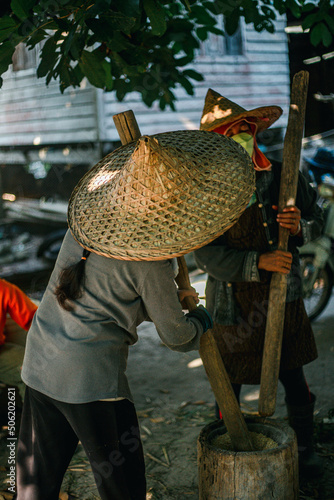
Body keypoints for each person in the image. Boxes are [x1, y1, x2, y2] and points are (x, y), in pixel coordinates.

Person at [15, 131, 253, 500]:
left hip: (40, 364)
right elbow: (177, 337)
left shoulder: (85, 228)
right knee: (122, 486)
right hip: (90, 380)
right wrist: (200, 319)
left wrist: (170, 297)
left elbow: (105, 294)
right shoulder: (151, 260)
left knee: (35, 484)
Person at [195, 89, 324, 477]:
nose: (239, 139)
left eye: (244, 130)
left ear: (254, 132)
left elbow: (319, 219)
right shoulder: (209, 191)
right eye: (229, 134)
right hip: (231, 305)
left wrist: (301, 226)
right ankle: (229, 454)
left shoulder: (286, 176)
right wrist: (258, 261)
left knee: (293, 377)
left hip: (283, 299)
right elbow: (206, 255)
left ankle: (306, 450)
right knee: (228, 387)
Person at [0, 278, 37, 403]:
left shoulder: (5, 289)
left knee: (33, 370)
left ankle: (30, 421)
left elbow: (35, 321)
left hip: (2, 354)